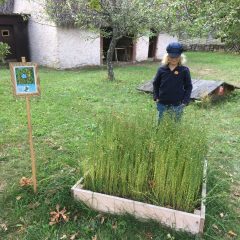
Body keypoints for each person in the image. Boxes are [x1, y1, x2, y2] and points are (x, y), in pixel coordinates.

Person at [153, 42, 193, 121]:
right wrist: (156, 97)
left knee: (175, 125)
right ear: (167, 56)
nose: (174, 59)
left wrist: (185, 101)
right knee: (159, 123)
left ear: (180, 57)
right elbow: (155, 84)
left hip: (177, 104)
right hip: (162, 102)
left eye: (176, 57)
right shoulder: (161, 70)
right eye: (171, 57)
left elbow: (188, 86)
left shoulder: (184, 70)